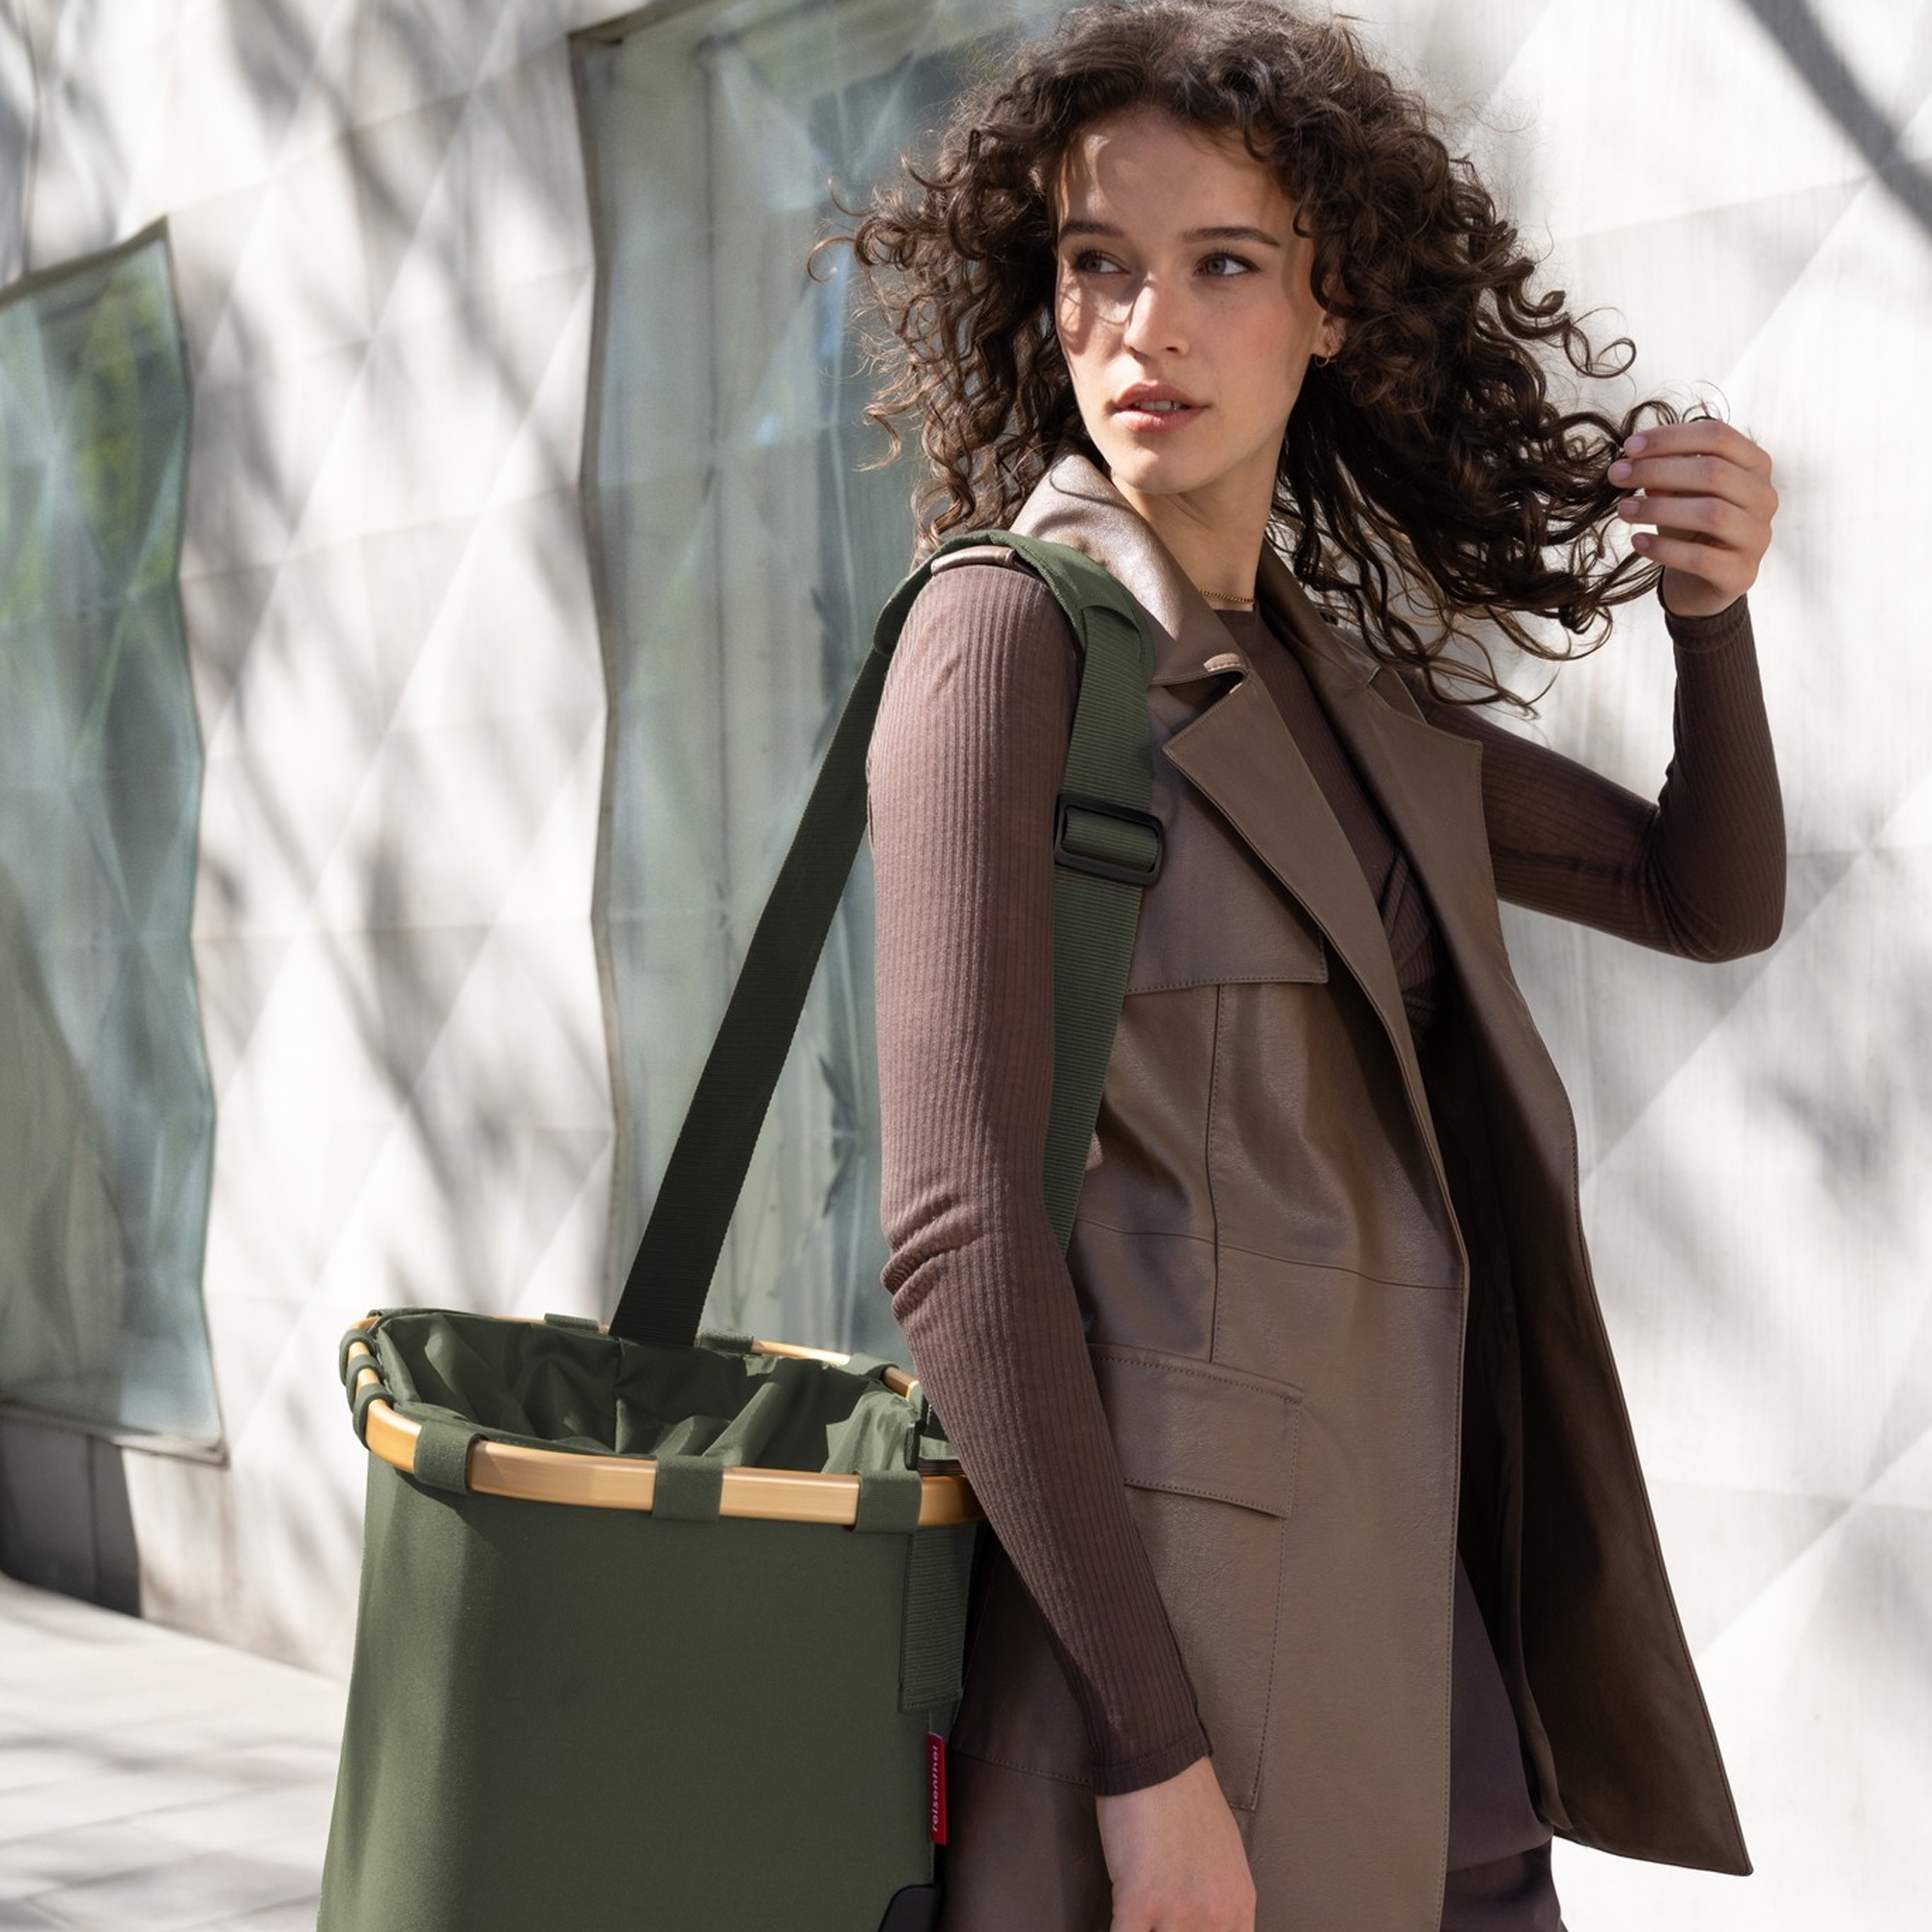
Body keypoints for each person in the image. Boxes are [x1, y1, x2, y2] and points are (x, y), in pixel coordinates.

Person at [846, 4, 1784, 1928]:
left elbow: (1705, 892)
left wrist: (1710, 621)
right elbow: (957, 1240)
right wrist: (1148, 1759)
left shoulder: (1336, 699)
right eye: (1097, 264)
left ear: (1330, 306)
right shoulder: (1004, 644)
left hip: (1436, 1693)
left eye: (1221, 266)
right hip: (1193, 1707)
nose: (1147, 330)